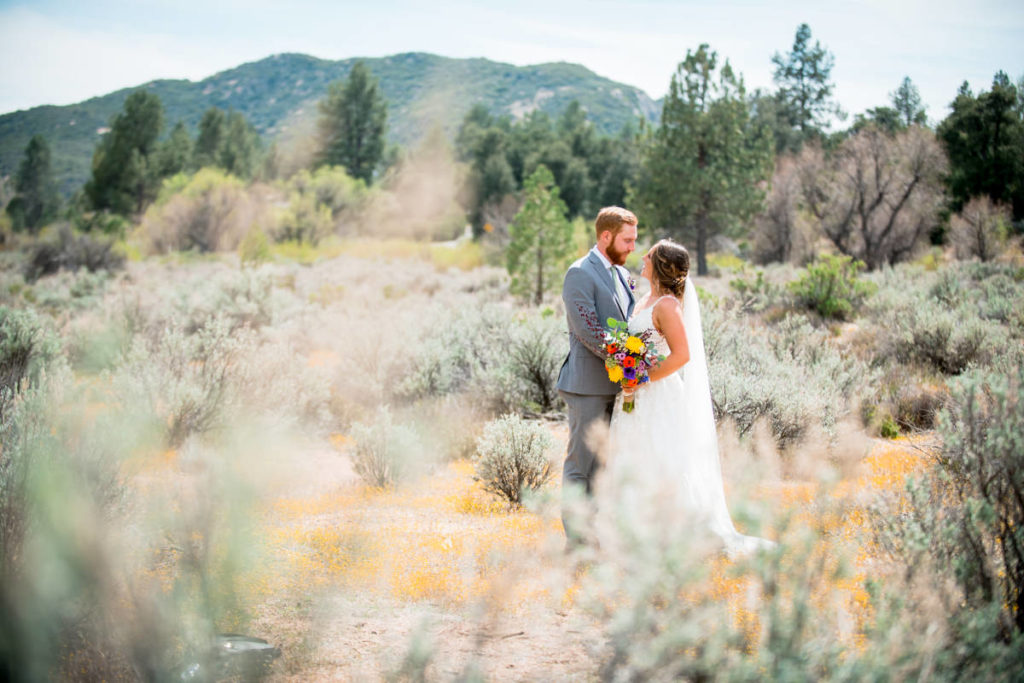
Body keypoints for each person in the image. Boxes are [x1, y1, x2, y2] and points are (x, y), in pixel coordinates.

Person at [602, 238, 774, 557]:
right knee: (633, 455)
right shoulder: (644, 300)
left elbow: (682, 355)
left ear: (662, 265)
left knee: (660, 457)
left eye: (649, 255)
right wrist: (623, 364)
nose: (642, 257)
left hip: (658, 396)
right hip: (632, 395)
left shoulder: (667, 305)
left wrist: (640, 378)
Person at [557, 206, 638, 547]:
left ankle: (595, 536)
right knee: (581, 465)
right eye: (627, 240)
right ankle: (576, 542)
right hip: (588, 386)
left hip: (614, 388)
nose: (633, 247)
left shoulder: (620, 274)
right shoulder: (579, 273)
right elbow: (589, 330)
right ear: (606, 236)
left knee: (603, 467)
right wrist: (630, 363)